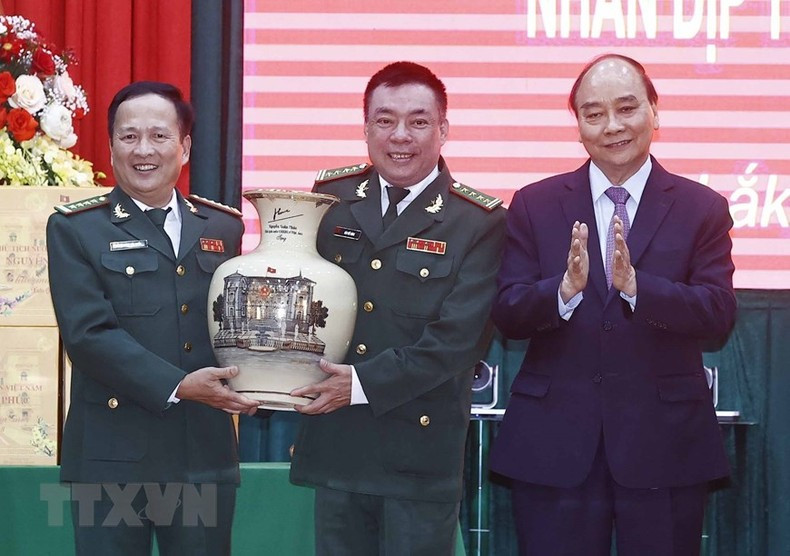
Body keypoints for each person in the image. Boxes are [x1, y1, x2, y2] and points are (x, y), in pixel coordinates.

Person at [489, 53, 737, 556]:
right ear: (577, 125)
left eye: (626, 108)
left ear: (654, 112)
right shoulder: (534, 203)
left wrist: (637, 288)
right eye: (594, 113)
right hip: (555, 445)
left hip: (664, 445)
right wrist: (562, 291)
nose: (612, 126)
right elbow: (507, 313)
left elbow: (717, 315)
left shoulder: (702, 208)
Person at [288, 61, 506, 555]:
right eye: (384, 121)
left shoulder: (478, 221)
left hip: (418, 455)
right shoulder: (330, 200)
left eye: (419, 121)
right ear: (366, 128)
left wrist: (359, 384)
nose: (400, 136)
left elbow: (458, 342)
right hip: (337, 446)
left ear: (443, 130)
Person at [46, 81, 260, 556]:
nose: (144, 150)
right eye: (129, 137)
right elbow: (88, 336)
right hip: (111, 460)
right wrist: (181, 386)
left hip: (201, 454)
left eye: (160, 136)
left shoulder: (223, 226)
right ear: (110, 146)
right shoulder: (76, 228)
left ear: (184, 147)